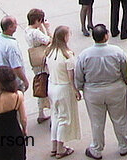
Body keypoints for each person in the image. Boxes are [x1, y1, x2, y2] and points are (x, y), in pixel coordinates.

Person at [75, 24, 127, 159]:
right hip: (115, 89)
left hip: (93, 91)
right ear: (106, 35)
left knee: (97, 121)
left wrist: (80, 88)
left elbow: (79, 75)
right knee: (120, 118)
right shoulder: (117, 51)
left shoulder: (85, 55)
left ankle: (96, 148)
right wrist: (125, 81)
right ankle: (124, 144)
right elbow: (125, 69)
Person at [46, 26, 81, 159]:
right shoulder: (67, 54)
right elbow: (71, 76)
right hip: (63, 87)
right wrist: (75, 90)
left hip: (52, 85)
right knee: (65, 118)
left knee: (55, 116)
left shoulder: (49, 52)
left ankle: (54, 146)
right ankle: (61, 148)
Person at [0, 65, 28, 160]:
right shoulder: (18, 96)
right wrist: (24, 130)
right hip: (15, 135)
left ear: (1, 82)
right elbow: (23, 119)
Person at [25, 8, 51, 123]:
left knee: (40, 85)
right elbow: (49, 40)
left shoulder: (27, 30)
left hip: (35, 62)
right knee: (47, 85)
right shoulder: (36, 32)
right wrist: (46, 27)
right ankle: (49, 112)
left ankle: (41, 112)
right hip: (42, 63)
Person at [0, 16, 30, 92]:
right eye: (15, 24)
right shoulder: (11, 46)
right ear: (10, 27)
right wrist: (25, 81)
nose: (17, 25)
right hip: (10, 82)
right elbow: (16, 67)